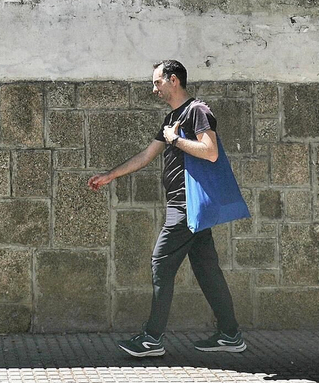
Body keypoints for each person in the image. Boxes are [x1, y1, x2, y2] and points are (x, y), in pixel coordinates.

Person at [88, 59, 244, 356]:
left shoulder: (197, 111)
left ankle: (151, 338)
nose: (154, 88)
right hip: (185, 205)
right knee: (208, 270)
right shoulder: (173, 117)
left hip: (186, 204)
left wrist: (177, 139)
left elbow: (209, 152)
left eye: (157, 82)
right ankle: (230, 334)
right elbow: (147, 156)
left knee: (161, 262)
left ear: (174, 80)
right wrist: (110, 175)